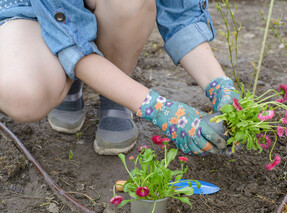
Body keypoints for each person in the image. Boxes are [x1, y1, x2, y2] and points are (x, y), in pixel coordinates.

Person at [0, 0, 239, 156]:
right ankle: (66, 75)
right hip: (30, 11)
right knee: (23, 95)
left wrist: (220, 86)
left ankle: (115, 90)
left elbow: (183, 17)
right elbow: (71, 41)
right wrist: (160, 110)